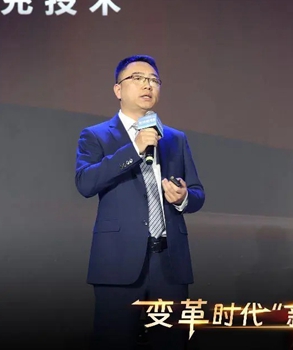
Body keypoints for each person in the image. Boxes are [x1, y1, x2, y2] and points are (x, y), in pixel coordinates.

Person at [75, 55, 205, 349]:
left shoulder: (175, 138)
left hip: (169, 264)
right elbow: (85, 183)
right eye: (137, 78)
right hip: (117, 263)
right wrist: (134, 149)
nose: (148, 85)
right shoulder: (96, 135)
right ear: (118, 89)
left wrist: (184, 198)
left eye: (154, 80)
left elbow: (197, 193)